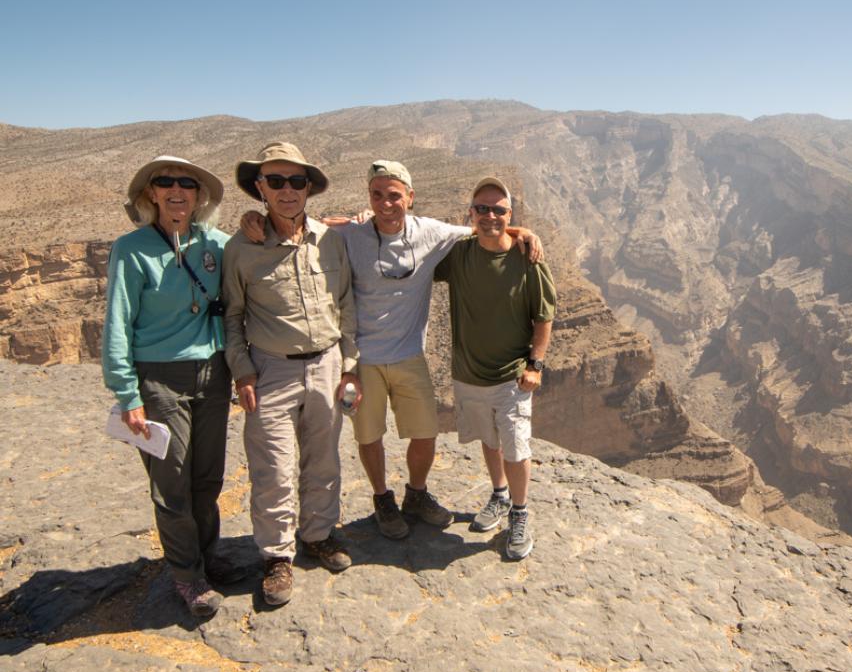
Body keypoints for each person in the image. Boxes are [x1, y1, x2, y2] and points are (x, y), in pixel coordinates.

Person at [240, 161, 544, 541]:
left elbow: (483, 228)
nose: (385, 204)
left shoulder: (432, 232)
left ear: (410, 198)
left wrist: (522, 230)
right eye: (377, 195)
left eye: (394, 195)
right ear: (369, 196)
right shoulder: (350, 233)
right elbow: (302, 224)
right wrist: (253, 218)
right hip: (361, 359)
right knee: (369, 436)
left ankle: (416, 494)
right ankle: (383, 499)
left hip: (409, 354)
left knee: (425, 433)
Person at [102, 155, 240, 617]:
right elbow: (118, 322)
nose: (177, 190)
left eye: (187, 183)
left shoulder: (216, 243)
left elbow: (265, 246)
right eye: (166, 182)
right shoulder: (132, 248)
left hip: (213, 374)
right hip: (159, 378)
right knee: (172, 483)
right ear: (151, 194)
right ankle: (187, 575)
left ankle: (207, 558)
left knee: (207, 478)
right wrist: (127, 394)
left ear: (199, 197)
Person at [222, 142, 358, 607]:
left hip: (327, 365)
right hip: (271, 372)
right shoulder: (240, 248)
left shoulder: (331, 239)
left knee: (323, 459)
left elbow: (345, 305)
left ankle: (318, 534)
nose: (286, 190)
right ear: (259, 188)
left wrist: (350, 366)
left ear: (308, 188)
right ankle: (277, 557)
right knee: (273, 470)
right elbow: (232, 316)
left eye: (295, 181)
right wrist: (242, 372)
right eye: (275, 181)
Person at [434, 177, 556, 560]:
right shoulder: (458, 254)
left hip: (512, 376)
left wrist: (535, 364)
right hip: (468, 373)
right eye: (482, 209)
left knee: (516, 449)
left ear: (510, 214)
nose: (490, 216)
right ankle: (499, 496)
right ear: (470, 213)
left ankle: (519, 515)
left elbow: (544, 315)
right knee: (489, 440)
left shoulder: (528, 257)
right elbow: (408, 244)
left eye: (499, 210)